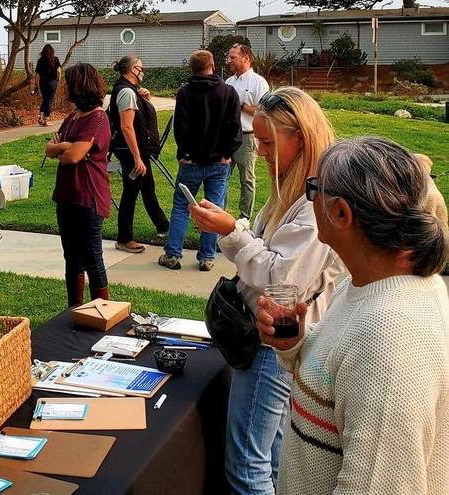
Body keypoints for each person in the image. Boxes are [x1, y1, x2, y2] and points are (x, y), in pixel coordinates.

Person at [256, 137, 449, 494]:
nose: (309, 197)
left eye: (314, 188)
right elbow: (341, 377)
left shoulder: (389, 341)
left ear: (341, 213)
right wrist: (297, 344)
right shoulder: (367, 283)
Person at [190, 87, 345, 495]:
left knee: (246, 465)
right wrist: (234, 230)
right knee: (272, 453)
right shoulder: (295, 189)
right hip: (271, 338)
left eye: (268, 143)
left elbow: (283, 280)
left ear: (302, 138)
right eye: (257, 141)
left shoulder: (314, 204)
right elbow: (269, 251)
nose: (259, 152)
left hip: (273, 343)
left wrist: (232, 231)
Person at [159, 50, 242, 272]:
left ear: (192, 68)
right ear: (212, 65)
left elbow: (181, 127)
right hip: (219, 162)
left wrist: (184, 154)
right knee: (214, 209)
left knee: (181, 206)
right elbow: (235, 127)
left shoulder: (185, 93)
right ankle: (207, 257)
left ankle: (172, 254)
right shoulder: (228, 92)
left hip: (191, 162)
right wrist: (227, 153)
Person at [45, 63, 111, 306]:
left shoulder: (98, 118)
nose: (64, 88)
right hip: (67, 196)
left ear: (80, 87)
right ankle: (74, 309)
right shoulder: (73, 117)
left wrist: (64, 147)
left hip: (88, 197)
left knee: (92, 258)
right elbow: (49, 149)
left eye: (68, 83)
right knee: (72, 257)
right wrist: (64, 147)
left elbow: (73, 156)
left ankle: (101, 312)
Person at [108, 55, 169, 254]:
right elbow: (126, 127)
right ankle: (124, 238)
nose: (143, 71)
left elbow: (138, 120)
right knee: (131, 192)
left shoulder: (130, 90)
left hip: (134, 150)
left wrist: (145, 100)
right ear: (132, 69)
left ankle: (163, 225)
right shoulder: (126, 92)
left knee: (147, 187)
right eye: (141, 67)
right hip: (130, 151)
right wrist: (136, 157)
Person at [225, 43, 269, 221]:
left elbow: (265, 113)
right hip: (228, 137)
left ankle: (244, 218)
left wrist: (241, 106)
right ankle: (220, 213)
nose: (229, 61)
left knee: (247, 180)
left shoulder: (258, 83)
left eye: (233, 57)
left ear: (246, 58)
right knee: (221, 177)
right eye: (229, 57)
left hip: (247, 137)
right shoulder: (229, 82)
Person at [34, 44, 61, 126]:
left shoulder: (40, 60)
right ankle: (46, 119)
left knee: (45, 99)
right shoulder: (55, 59)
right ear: (52, 51)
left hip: (42, 82)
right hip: (52, 82)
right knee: (49, 100)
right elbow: (59, 71)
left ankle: (41, 115)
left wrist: (36, 84)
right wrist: (59, 79)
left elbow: (36, 74)